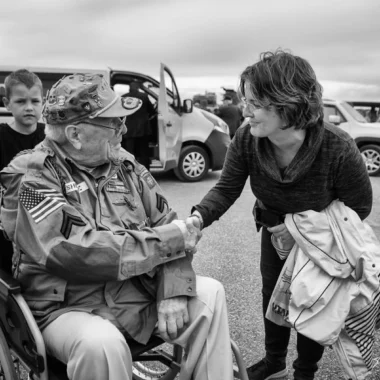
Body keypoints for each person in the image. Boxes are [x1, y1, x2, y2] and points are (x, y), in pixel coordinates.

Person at [0, 73, 234, 380]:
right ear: (74, 133)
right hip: (68, 307)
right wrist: (168, 241)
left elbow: (167, 223)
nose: (123, 129)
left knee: (211, 294)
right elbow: (73, 251)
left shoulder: (125, 163)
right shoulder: (31, 177)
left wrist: (172, 289)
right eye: (112, 122)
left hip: (133, 292)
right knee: (102, 343)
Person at [186, 50, 372, 380]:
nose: (246, 112)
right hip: (273, 230)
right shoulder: (247, 137)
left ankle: (304, 371)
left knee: (310, 301)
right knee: (274, 295)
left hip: (319, 241)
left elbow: (360, 207)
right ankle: (275, 363)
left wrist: (301, 229)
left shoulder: (337, 146)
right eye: (246, 102)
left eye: (255, 104)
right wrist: (196, 219)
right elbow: (227, 188)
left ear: (288, 104)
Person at [0, 69, 45, 272]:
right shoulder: (1, 137)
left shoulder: (52, 138)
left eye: (35, 101)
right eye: (20, 101)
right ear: (6, 102)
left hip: (44, 224)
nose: (29, 108)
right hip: (7, 226)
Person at [121, 81, 155, 170]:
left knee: (129, 152)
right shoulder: (144, 96)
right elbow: (151, 111)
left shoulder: (124, 97)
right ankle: (145, 170)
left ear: (129, 88)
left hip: (129, 130)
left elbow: (121, 114)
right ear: (138, 88)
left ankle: (130, 170)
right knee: (143, 152)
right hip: (143, 130)